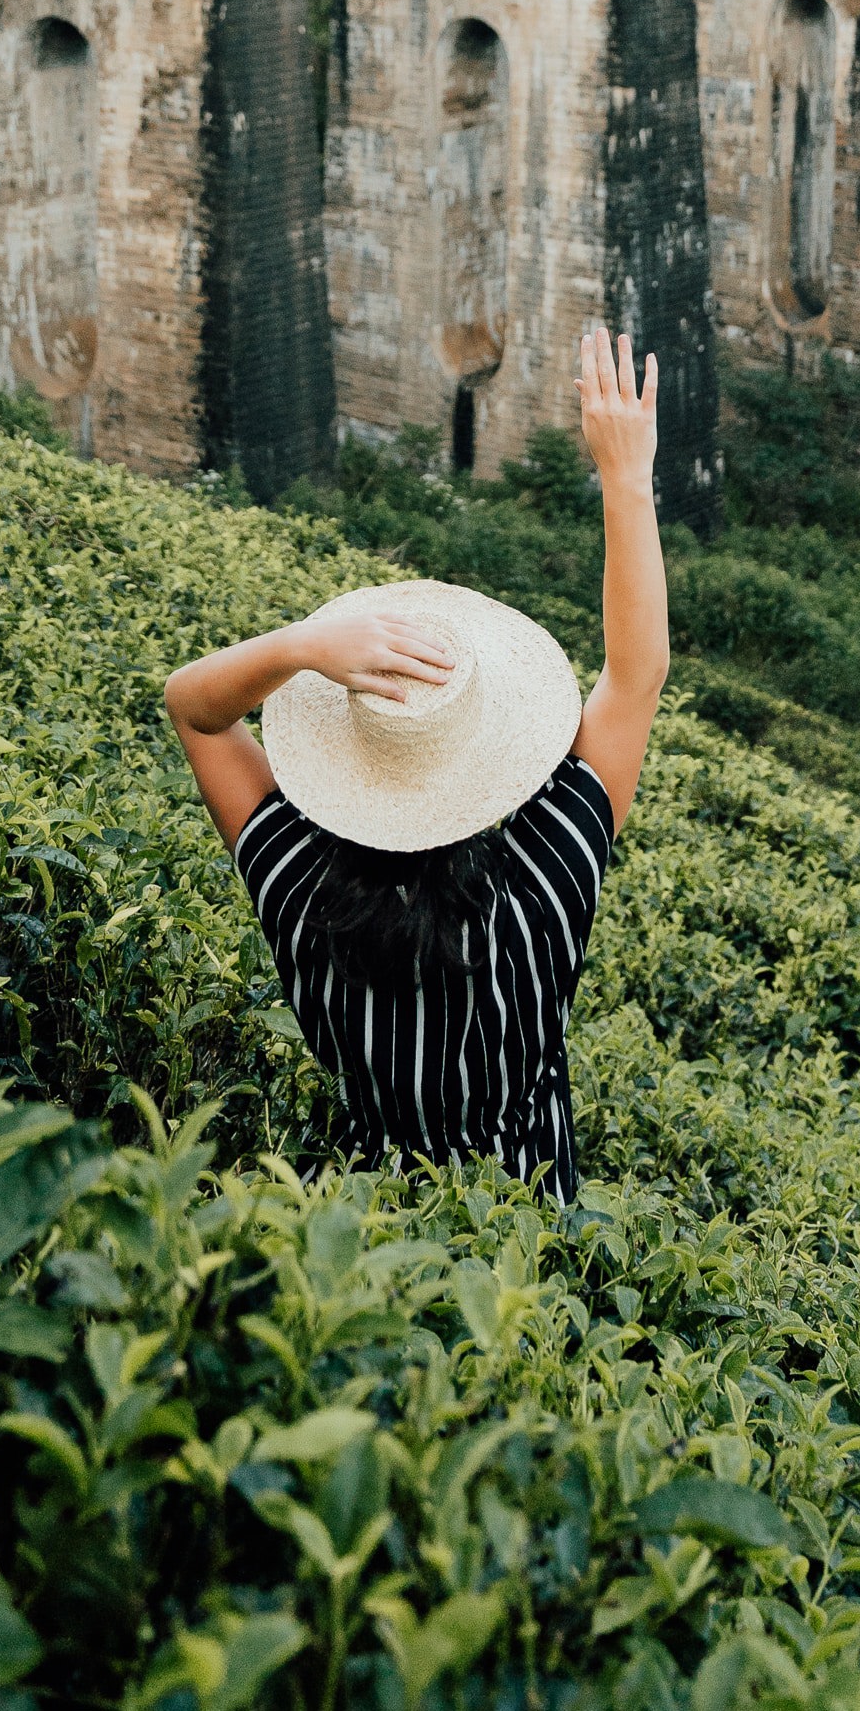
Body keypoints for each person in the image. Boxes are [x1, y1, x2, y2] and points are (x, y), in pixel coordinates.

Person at [162, 325, 669, 1202]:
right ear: (487, 758)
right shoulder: (539, 901)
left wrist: (302, 646)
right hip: (523, 1241)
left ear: (344, 759)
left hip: (356, 1238)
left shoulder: (298, 893)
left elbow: (194, 710)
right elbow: (635, 675)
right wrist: (624, 476)